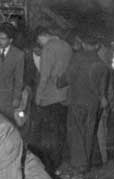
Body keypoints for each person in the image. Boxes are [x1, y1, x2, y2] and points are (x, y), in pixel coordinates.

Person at [57, 33, 109, 172]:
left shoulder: (77, 58)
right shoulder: (101, 63)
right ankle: (86, 163)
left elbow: (67, 77)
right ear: (97, 46)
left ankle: (79, 164)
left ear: (84, 44)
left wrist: (58, 81)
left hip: (77, 100)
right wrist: (102, 98)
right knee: (89, 132)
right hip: (93, 103)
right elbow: (103, 87)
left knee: (76, 131)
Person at [33, 26, 72, 170]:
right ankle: (58, 160)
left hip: (50, 95)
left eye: (39, 40)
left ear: (42, 36)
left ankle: (49, 162)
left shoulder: (49, 47)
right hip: (64, 93)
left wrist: (39, 95)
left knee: (49, 131)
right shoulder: (66, 45)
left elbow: (44, 75)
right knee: (60, 129)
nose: (39, 44)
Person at [0, 23, 24, 121]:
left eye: (3, 38)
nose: (0, 41)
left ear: (11, 40)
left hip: (7, 97)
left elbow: (19, 79)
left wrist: (16, 98)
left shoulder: (19, 55)